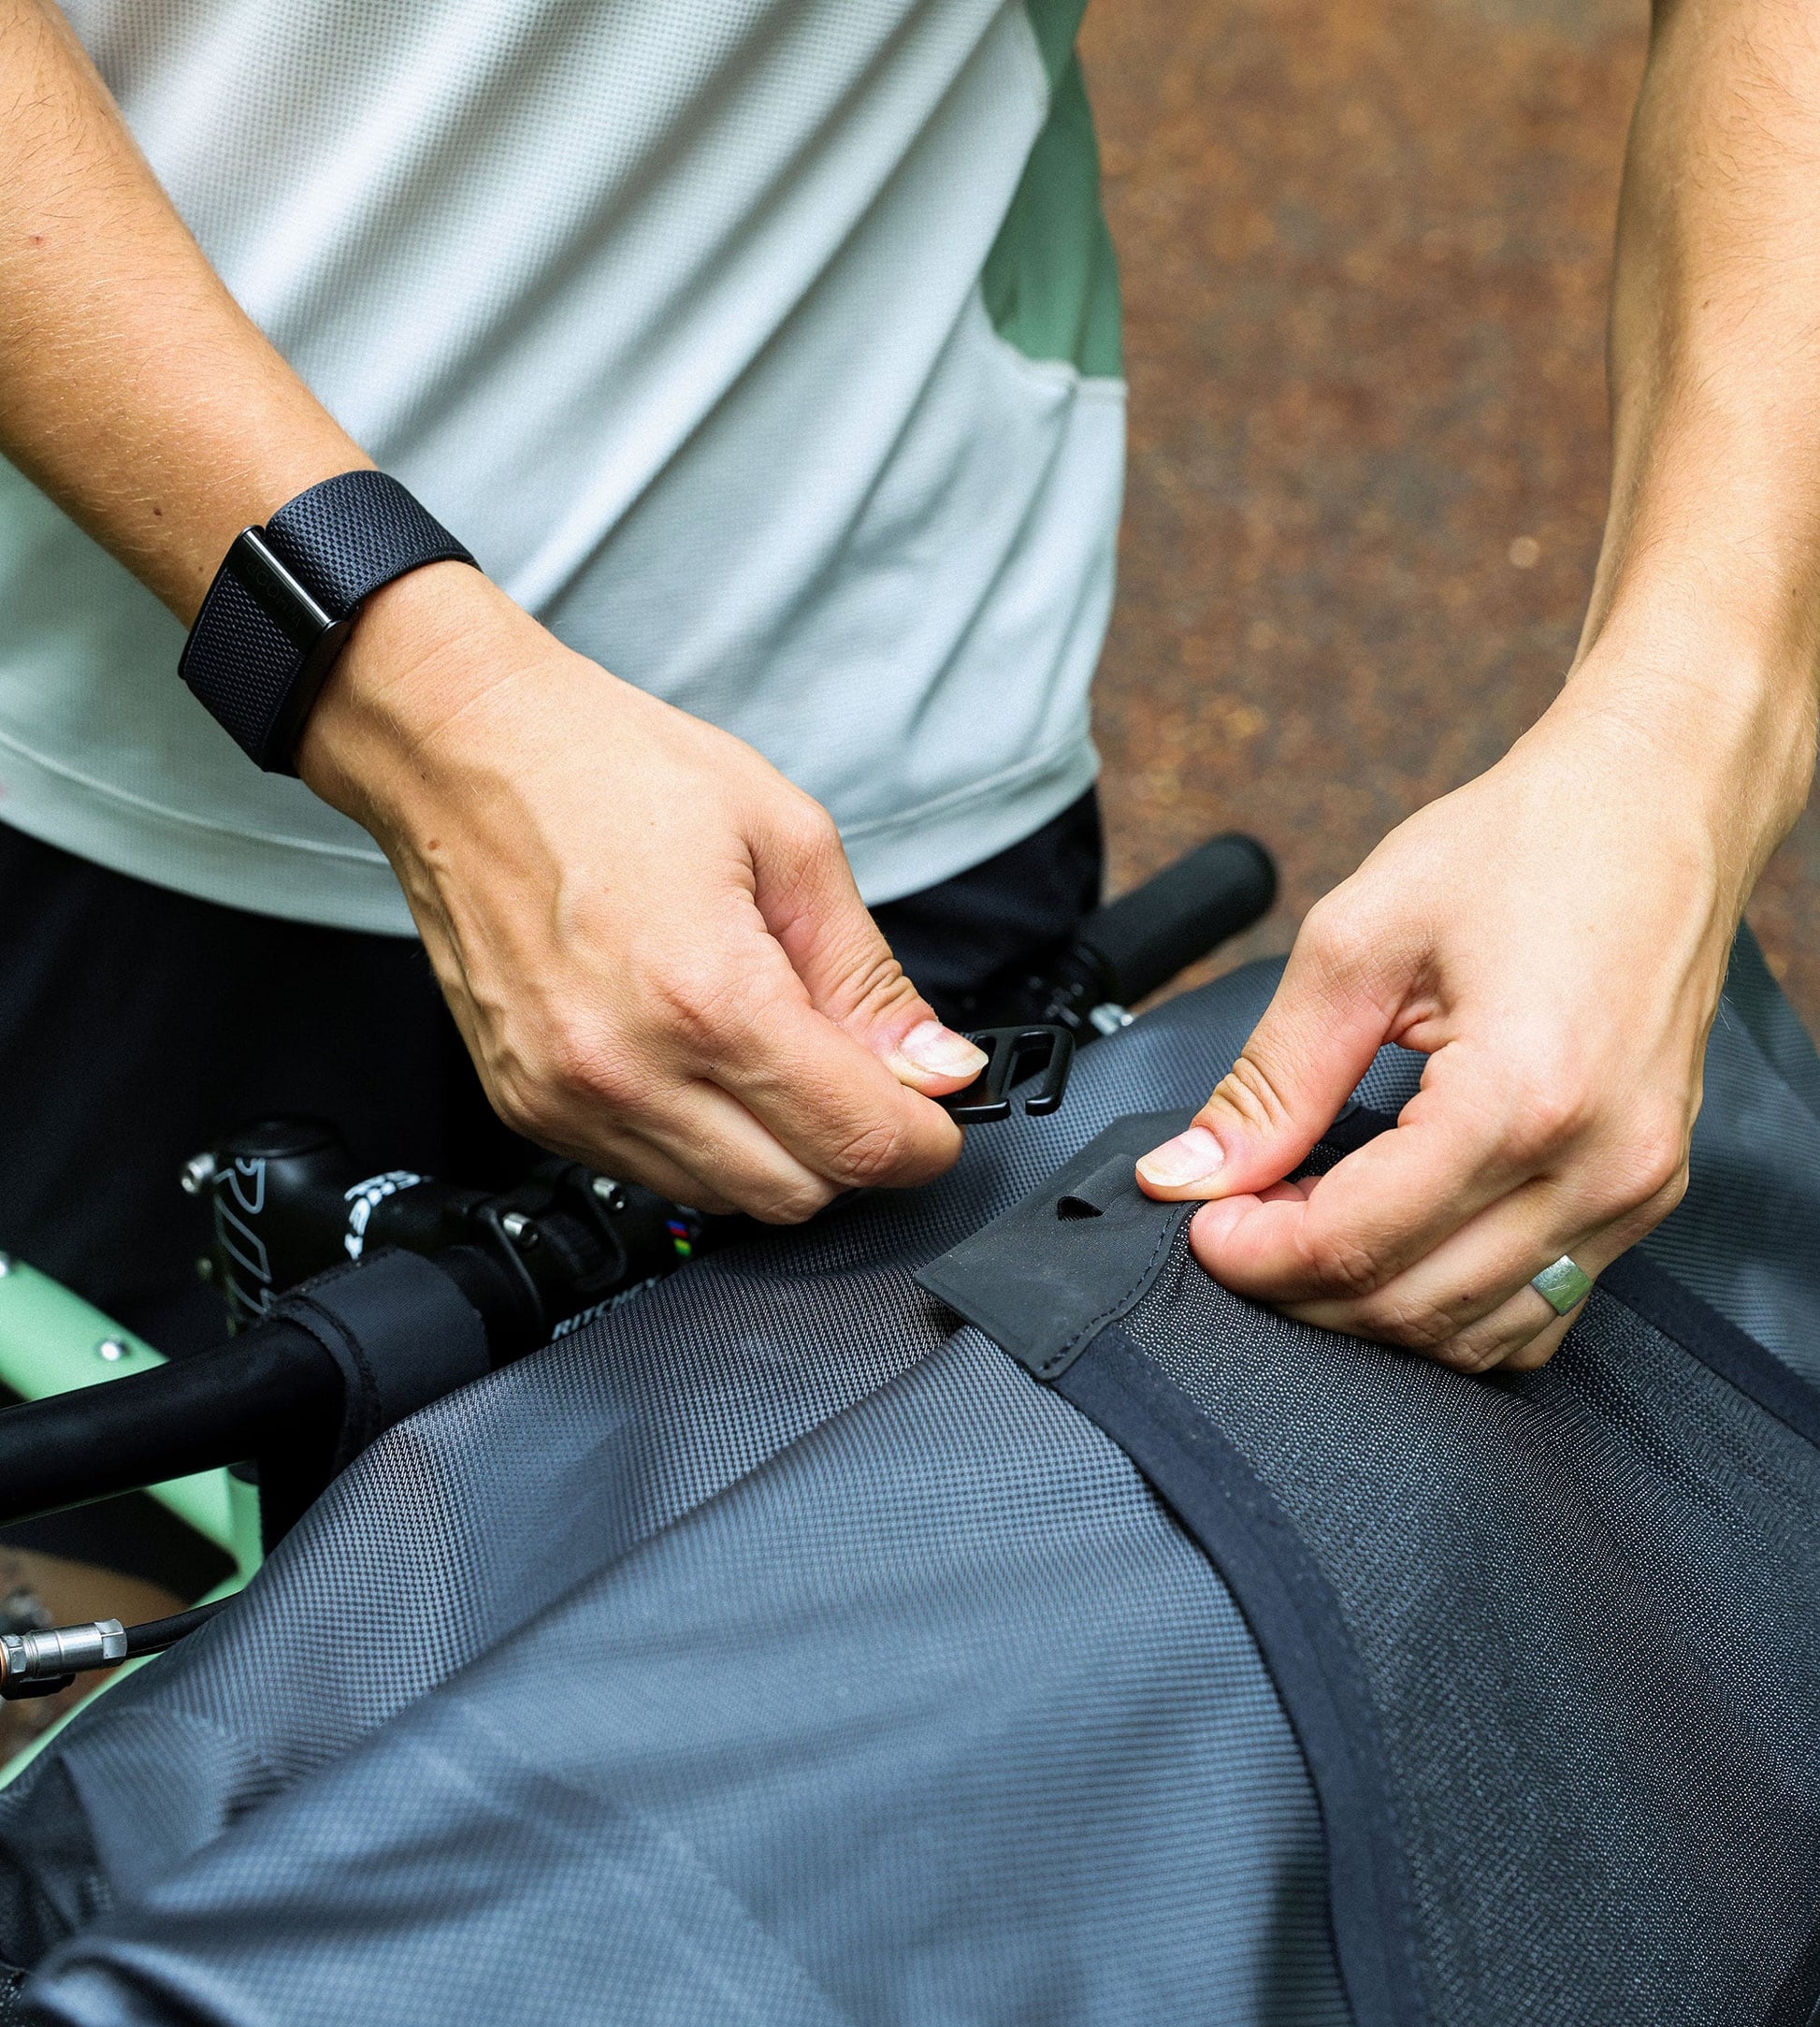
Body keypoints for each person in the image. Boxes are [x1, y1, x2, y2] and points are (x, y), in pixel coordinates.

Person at [0, 0, 1815, 1380]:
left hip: (874, 788)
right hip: (102, 737)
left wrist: (1678, 746)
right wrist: (420, 696)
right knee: (132, 1639)